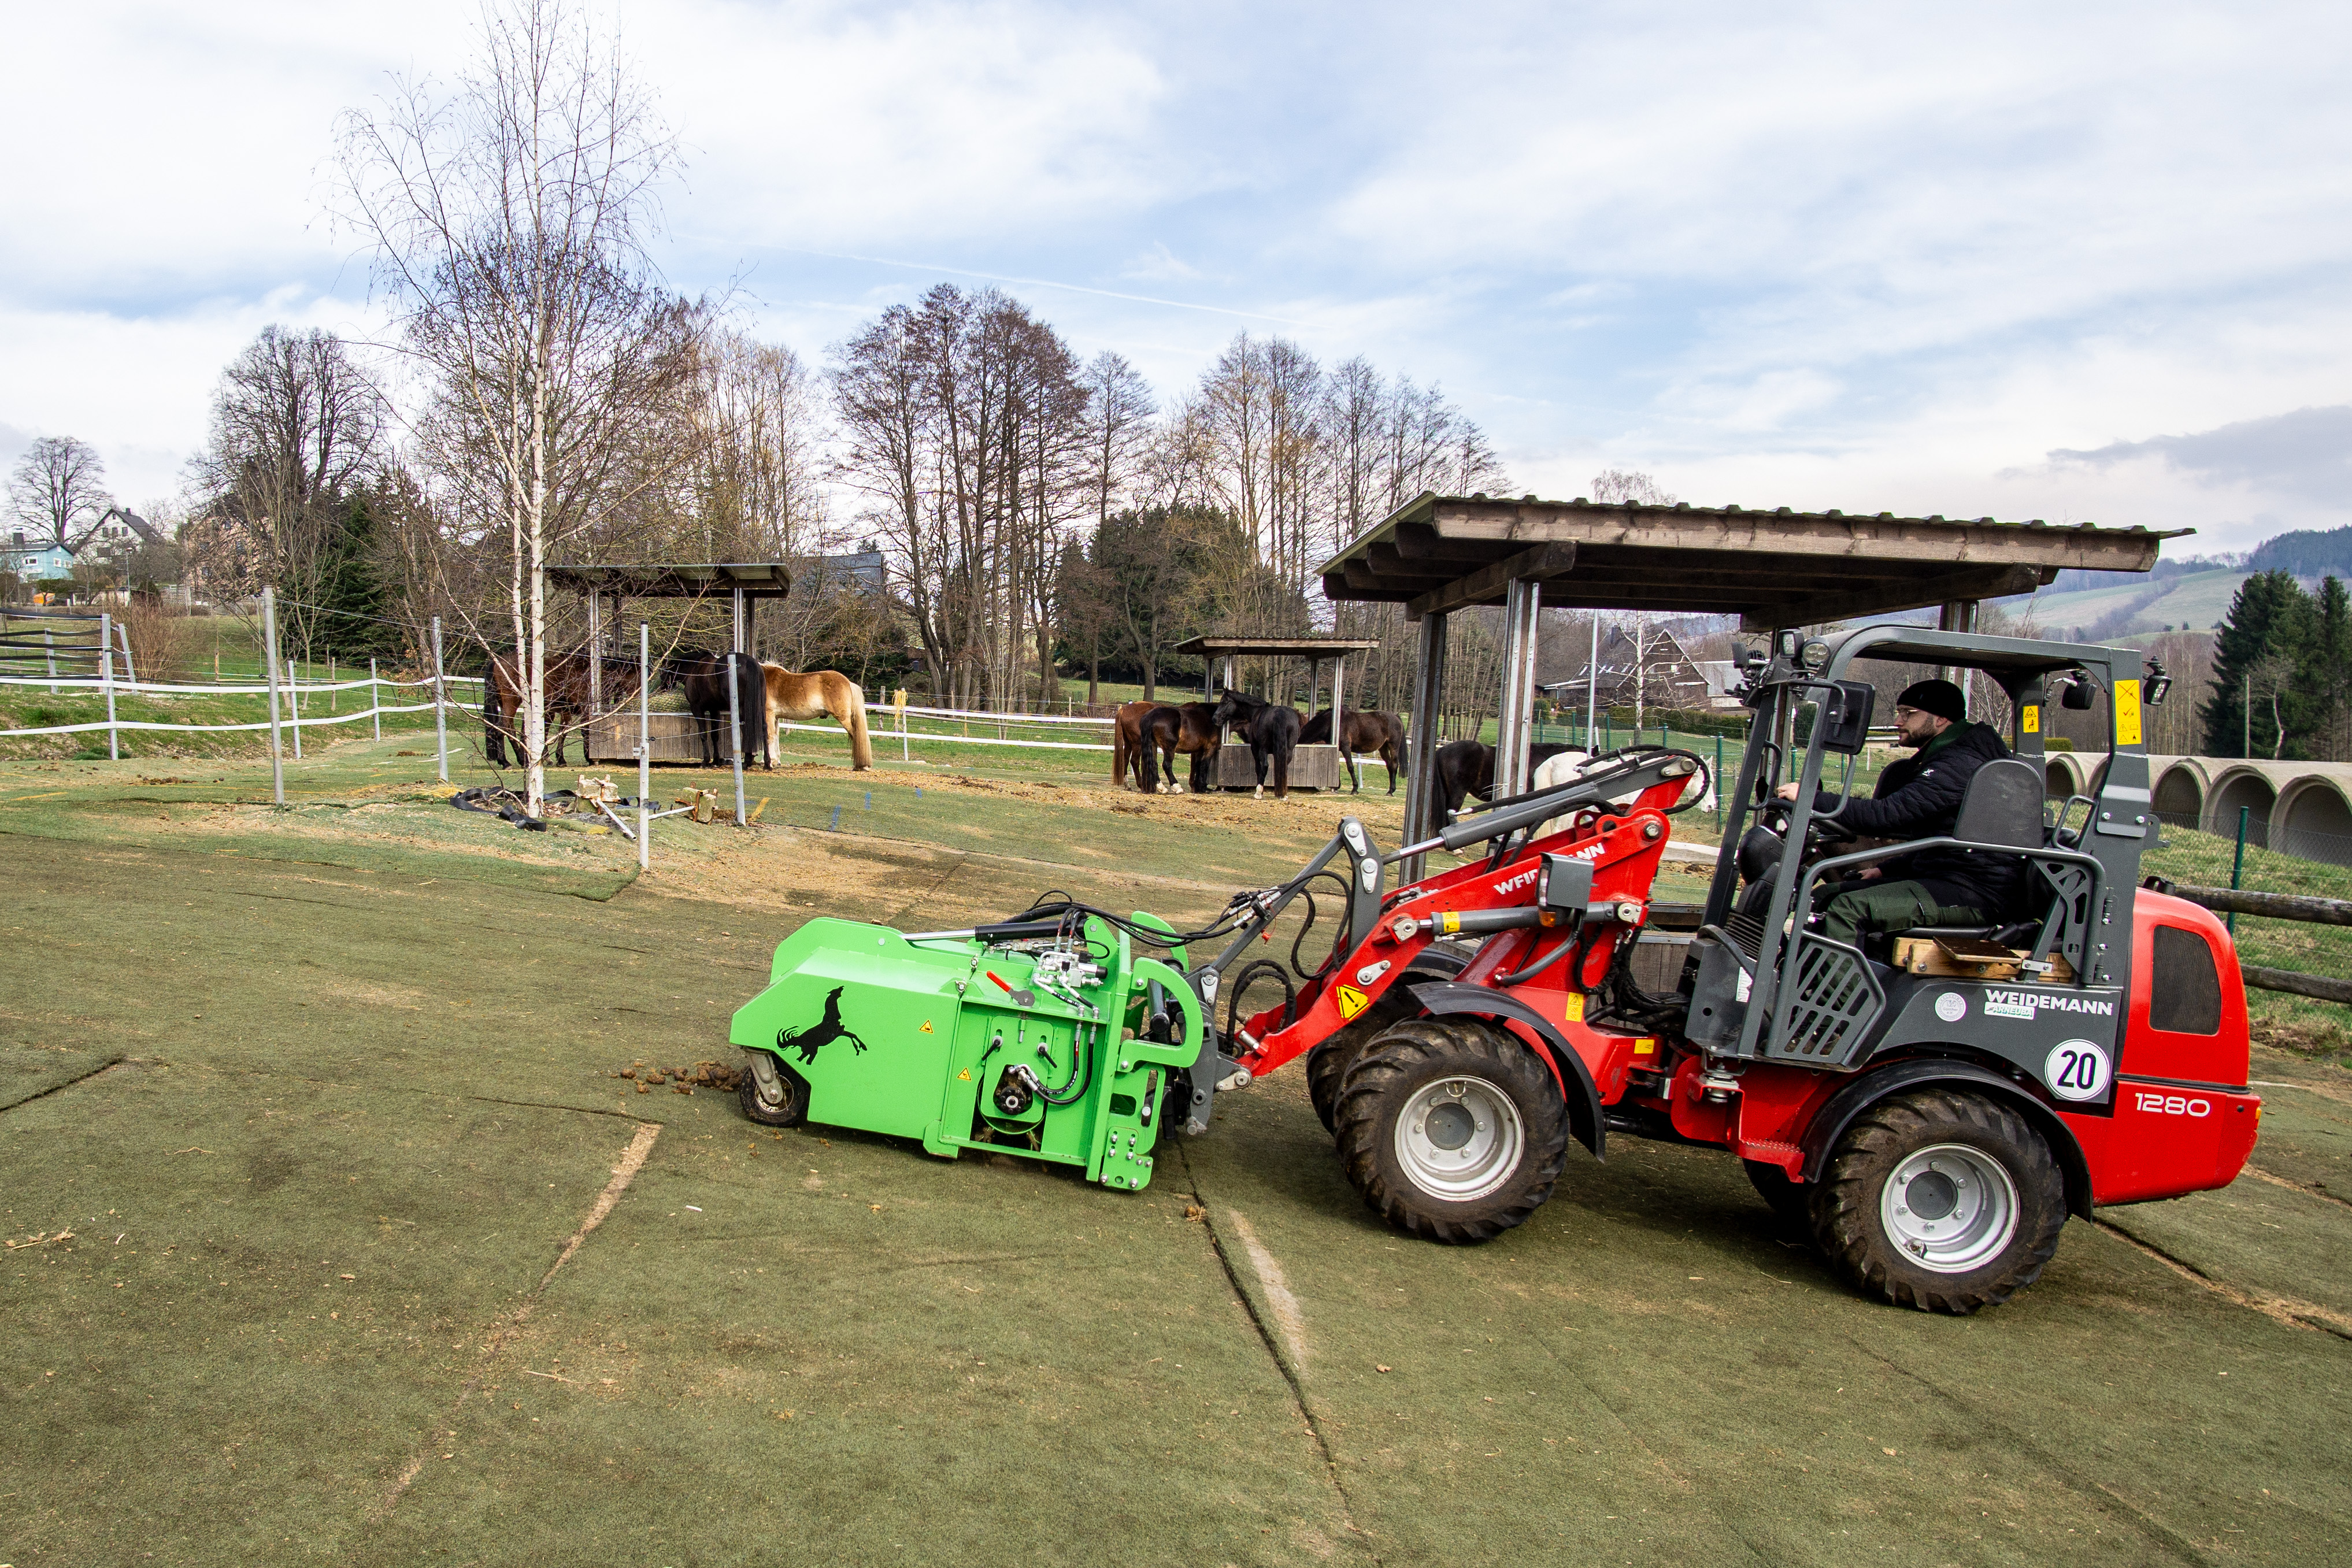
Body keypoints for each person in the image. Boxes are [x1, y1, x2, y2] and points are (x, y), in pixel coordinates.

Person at [1772, 679, 2025, 947]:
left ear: (1941, 719)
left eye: (1908, 713)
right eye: (1899, 712)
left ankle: (1842, 977)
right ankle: (1805, 970)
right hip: (1947, 878)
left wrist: (1811, 798)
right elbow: (1940, 841)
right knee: (1825, 895)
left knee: (1847, 909)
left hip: (1973, 892)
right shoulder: (1947, 758)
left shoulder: (1959, 764)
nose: (1897, 721)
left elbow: (1886, 815)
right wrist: (1885, 869)